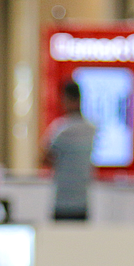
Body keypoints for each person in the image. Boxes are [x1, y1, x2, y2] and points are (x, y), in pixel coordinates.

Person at [42, 80, 96, 221]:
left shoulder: (60, 130)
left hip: (63, 201)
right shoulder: (91, 129)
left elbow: (45, 158)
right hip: (83, 201)